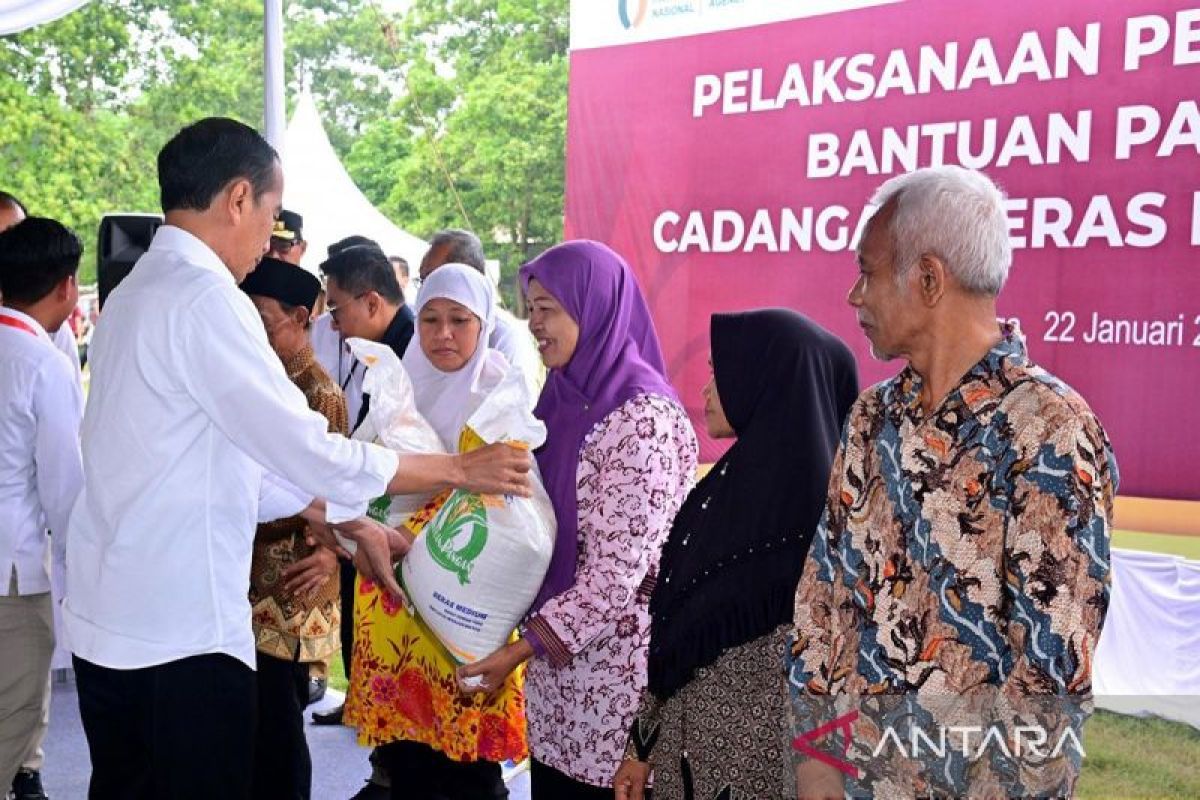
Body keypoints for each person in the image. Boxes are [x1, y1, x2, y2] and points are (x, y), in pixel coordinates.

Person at [61, 117, 531, 800]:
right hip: (177, 631)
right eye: (271, 215)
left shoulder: (134, 292)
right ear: (238, 199)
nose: (268, 237)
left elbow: (234, 468)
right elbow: (304, 448)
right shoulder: (205, 298)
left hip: (116, 621)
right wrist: (460, 470)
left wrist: (347, 525)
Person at [787, 166, 1118, 799]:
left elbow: (1048, 679)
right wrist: (816, 757)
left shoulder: (1048, 432)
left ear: (930, 279)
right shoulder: (872, 417)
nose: (855, 296)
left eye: (868, 273)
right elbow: (823, 595)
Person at [459, 240, 699, 798]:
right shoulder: (560, 399)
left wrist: (517, 652)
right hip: (556, 686)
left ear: (594, 309)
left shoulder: (643, 421)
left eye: (549, 309)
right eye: (530, 308)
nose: (534, 324)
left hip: (617, 692)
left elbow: (614, 577)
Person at [614, 309, 859, 800]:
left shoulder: (834, 524)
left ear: (764, 381)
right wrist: (640, 748)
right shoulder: (722, 499)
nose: (706, 389)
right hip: (685, 767)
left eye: (718, 372)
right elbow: (675, 641)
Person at [346, 263, 526, 800]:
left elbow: (519, 505)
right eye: (430, 320)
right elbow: (357, 476)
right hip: (395, 597)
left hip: (468, 603)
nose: (443, 334)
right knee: (407, 758)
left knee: (469, 762)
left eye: (459, 320)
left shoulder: (502, 392)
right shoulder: (396, 385)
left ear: (484, 323)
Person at [239, 257, 344, 798]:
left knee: (280, 727)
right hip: (252, 580)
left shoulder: (319, 391)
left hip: (294, 587)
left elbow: (324, 495)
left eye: (262, 319)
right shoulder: (262, 379)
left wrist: (231, 506)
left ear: (300, 317)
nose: (252, 330)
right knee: (254, 722)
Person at [311, 242, 416, 738]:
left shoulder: (414, 348)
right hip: (372, 516)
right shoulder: (380, 347)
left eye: (337, 308)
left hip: (407, 530)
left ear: (372, 303)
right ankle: (385, 767)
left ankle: (391, 770)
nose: (332, 323)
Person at [0, 217, 85, 800]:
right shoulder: (41, 361)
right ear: (67, 287)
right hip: (14, 573)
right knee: (12, 720)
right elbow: (65, 491)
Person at [419, 229, 542, 395]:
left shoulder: (506, 338)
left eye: (459, 320)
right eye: (422, 280)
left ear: (470, 276)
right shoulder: (414, 357)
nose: (442, 334)